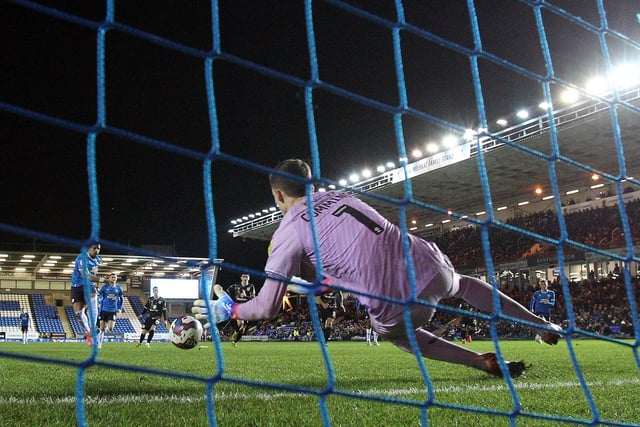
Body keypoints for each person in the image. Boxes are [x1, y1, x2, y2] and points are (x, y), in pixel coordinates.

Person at [204, 159, 563, 378]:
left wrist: (232, 308)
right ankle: (542, 324)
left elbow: (266, 307)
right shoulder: (343, 195)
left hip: (395, 300)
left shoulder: (288, 231)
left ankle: (481, 362)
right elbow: (352, 245)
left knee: (398, 336)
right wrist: (329, 277)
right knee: (464, 285)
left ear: (278, 195)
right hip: (429, 261)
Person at [70, 242, 104, 346]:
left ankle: (93, 328)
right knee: (78, 313)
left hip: (90, 286)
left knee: (93, 300)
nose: (96, 251)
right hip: (77, 286)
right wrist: (103, 280)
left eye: (98, 249)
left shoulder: (98, 260)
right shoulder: (82, 258)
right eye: (94, 248)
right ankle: (89, 332)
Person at [226, 273, 256, 347]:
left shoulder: (251, 286)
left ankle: (234, 341)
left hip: (246, 307)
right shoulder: (236, 285)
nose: (245, 278)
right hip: (238, 306)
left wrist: (246, 296)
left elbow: (253, 297)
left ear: (248, 278)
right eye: (244, 277)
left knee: (243, 327)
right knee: (240, 323)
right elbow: (228, 290)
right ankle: (236, 332)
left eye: (246, 277)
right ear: (241, 278)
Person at [97, 273, 124, 349]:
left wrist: (120, 308)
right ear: (109, 278)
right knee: (101, 328)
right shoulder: (105, 287)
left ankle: (105, 329)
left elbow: (122, 299)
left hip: (112, 311)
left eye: (115, 277)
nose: (113, 278)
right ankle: (99, 343)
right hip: (103, 310)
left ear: (116, 279)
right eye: (112, 277)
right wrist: (99, 300)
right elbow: (99, 294)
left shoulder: (119, 288)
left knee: (110, 328)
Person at [530, 279, 556, 344]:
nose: (543, 286)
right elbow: (532, 301)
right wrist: (531, 308)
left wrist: (548, 303)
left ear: (547, 285)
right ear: (540, 285)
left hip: (547, 312)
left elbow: (552, 304)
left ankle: (539, 337)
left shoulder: (551, 293)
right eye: (542, 284)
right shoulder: (537, 293)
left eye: (544, 284)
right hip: (538, 311)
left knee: (546, 326)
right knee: (541, 324)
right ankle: (539, 337)